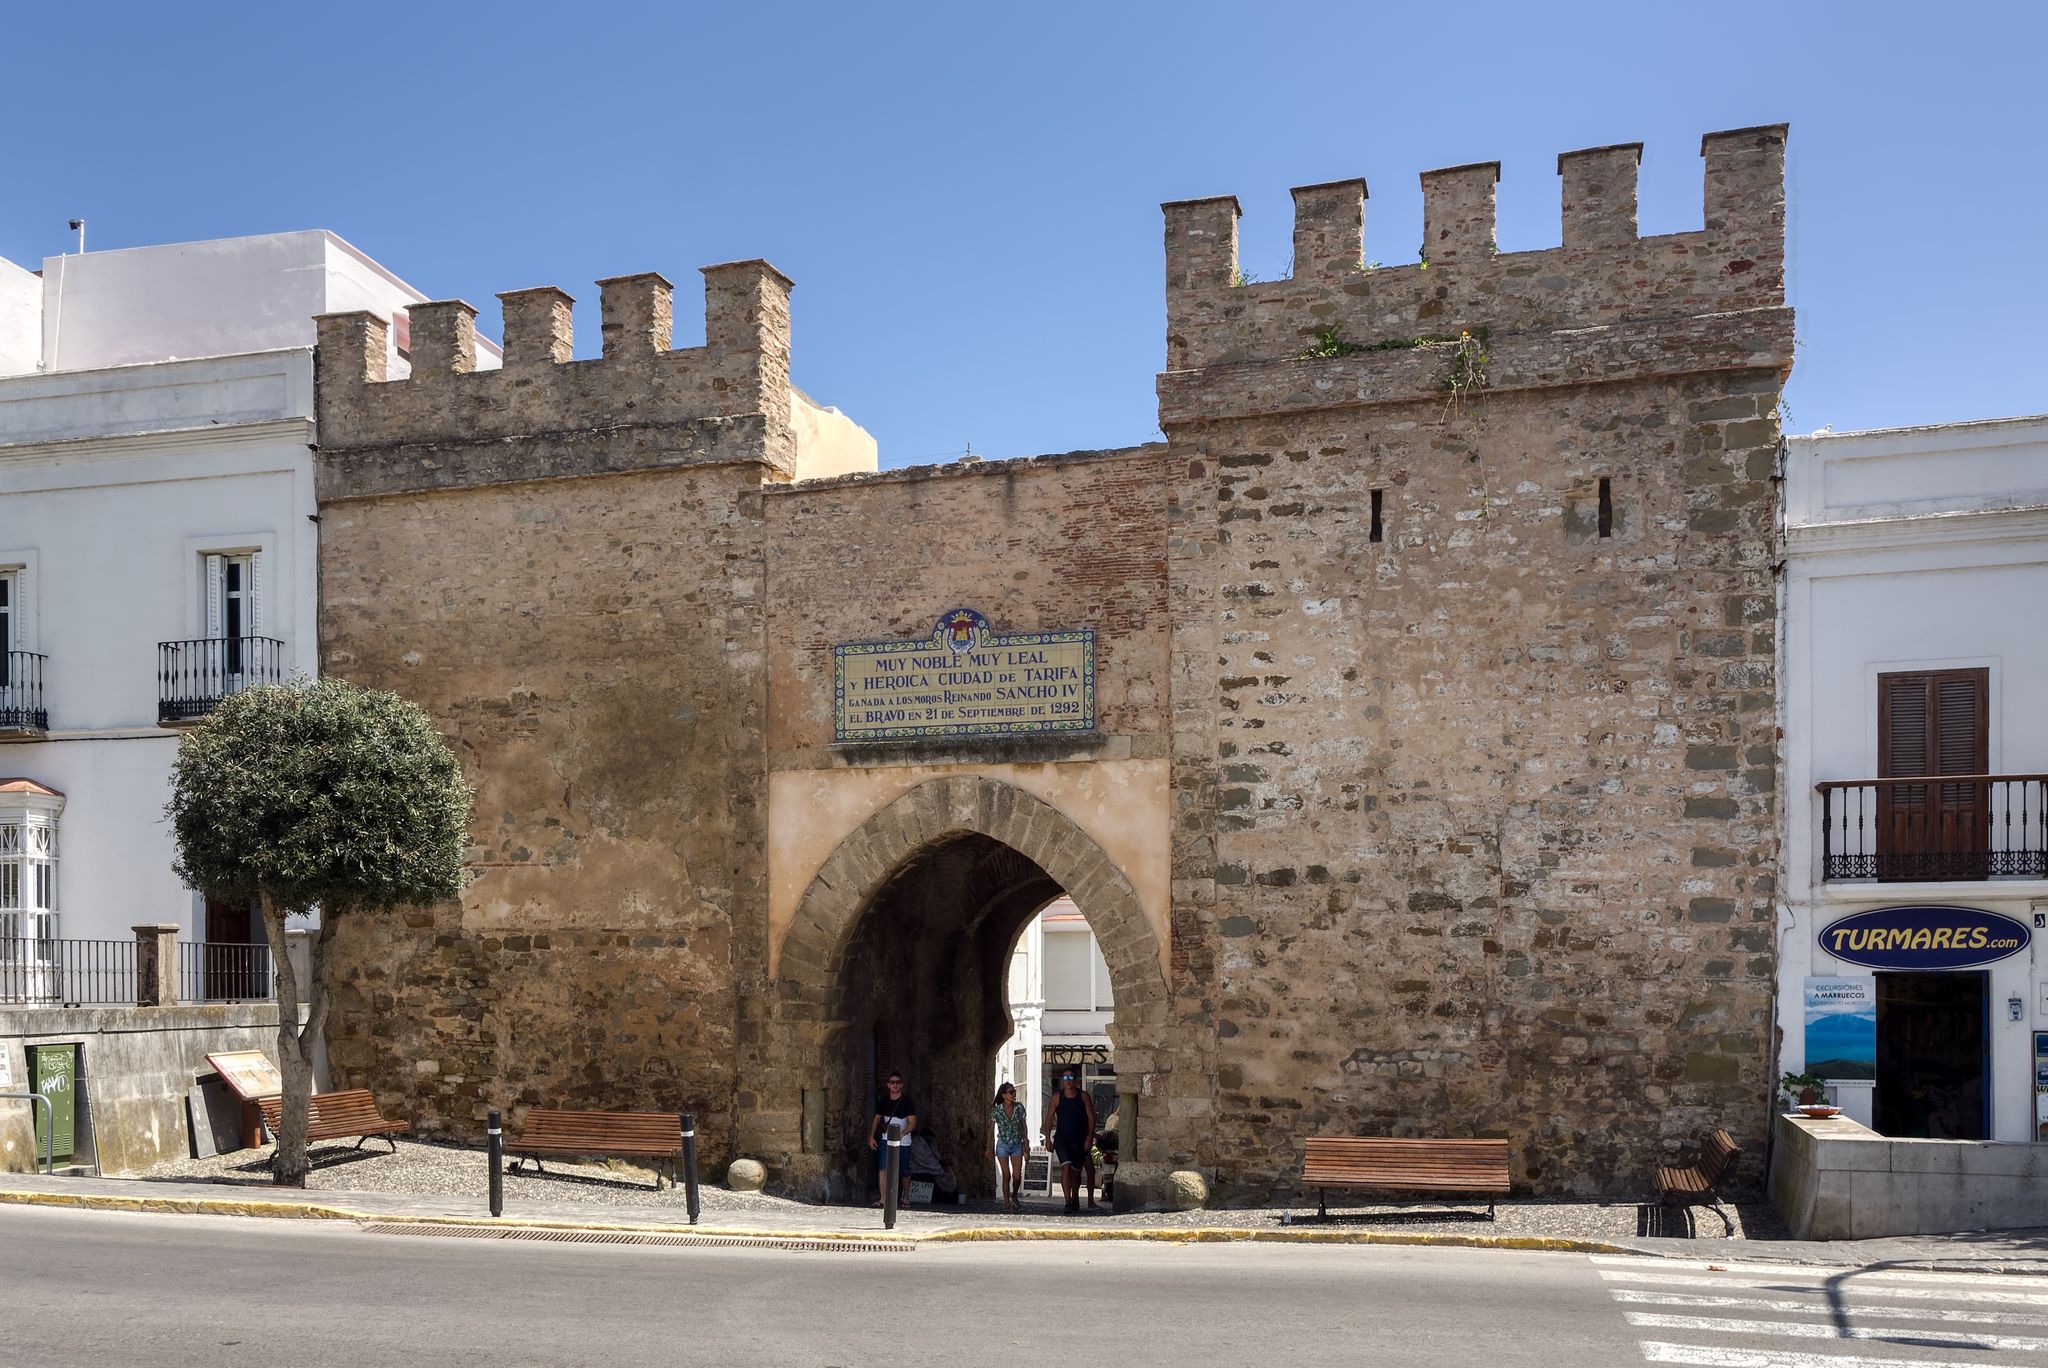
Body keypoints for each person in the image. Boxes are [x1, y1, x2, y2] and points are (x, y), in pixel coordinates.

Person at [1041, 1071, 1096, 1214]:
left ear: (1075, 1080)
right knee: (1066, 1168)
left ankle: (1075, 1197)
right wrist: (1047, 1138)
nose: (1068, 1081)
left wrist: (1089, 1137)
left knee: (1076, 1173)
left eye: (1071, 1077)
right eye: (1065, 1078)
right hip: (1062, 1139)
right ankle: (1067, 1202)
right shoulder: (1056, 1097)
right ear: (1062, 1081)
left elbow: (1091, 1117)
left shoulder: (1083, 1096)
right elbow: (1049, 1118)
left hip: (1079, 1140)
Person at [867, 1071, 918, 1207]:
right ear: (888, 1085)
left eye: (897, 1082)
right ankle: (883, 1198)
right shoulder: (883, 1101)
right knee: (883, 1167)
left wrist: (903, 1133)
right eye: (892, 1082)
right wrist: (871, 1136)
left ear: (901, 1085)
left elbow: (912, 1122)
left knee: (905, 1170)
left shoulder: (907, 1102)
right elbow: (877, 1119)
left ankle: (905, 1197)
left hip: (904, 1141)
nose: (895, 1085)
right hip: (886, 1139)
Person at [990, 1082, 1028, 1211]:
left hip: (1017, 1143)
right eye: (1011, 1092)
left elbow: (1023, 1125)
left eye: (1014, 1092)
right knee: (1006, 1175)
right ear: (1004, 1095)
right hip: (1002, 1145)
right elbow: (991, 1129)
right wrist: (988, 1147)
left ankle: (1014, 1195)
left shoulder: (1019, 1107)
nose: (1013, 1094)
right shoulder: (997, 1110)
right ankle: (1006, 1201)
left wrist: (1026, 1141)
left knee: (1017, 1175)